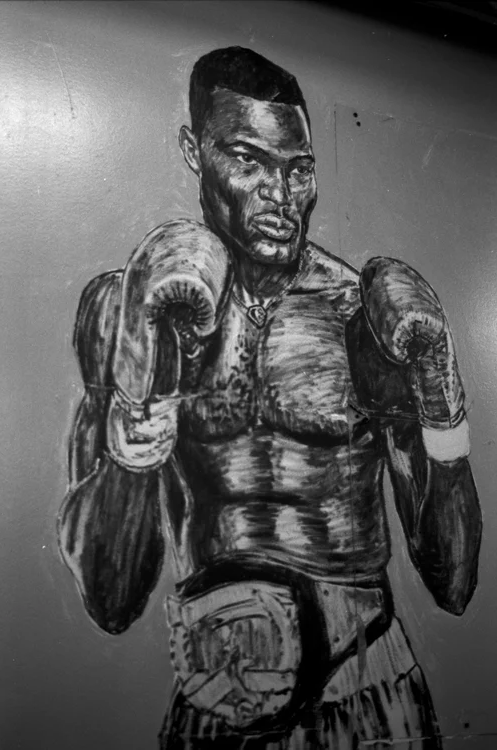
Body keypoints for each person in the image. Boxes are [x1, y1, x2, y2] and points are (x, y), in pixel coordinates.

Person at [58, 47, 482, 749]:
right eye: (248, 161)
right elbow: (111, 598)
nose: (280, 196)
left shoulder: (359, 319)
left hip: (366, 693)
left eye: (298, 169)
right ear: (193, 150)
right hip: (217, 705)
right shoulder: (131, 310)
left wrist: (441, 403)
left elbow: (455, 582)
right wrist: (141, 390)